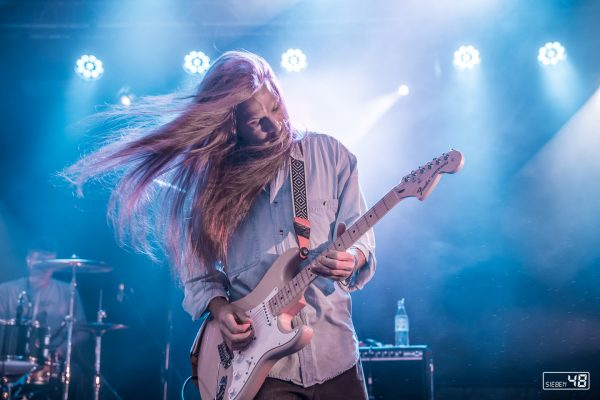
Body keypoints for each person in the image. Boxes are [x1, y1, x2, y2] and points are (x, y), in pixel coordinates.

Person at [63, 51, 376, 399]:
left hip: (336, 356)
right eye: (256, 120)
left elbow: (362, 241)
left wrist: (353, 259)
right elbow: (198, 273)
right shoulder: (211, 186)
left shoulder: (331, 155)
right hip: (261, 368)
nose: (274, 124)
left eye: (275, 108)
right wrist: (220, 308)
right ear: (232, 125)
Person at [0, 237, 88, 360]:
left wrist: (65, 347)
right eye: (41, 260)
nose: (45, 266)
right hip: (12, 357)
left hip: (53, 359)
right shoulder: (6, 290)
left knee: (78, 376)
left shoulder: (69, 292)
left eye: (50, 261)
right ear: (28, 260)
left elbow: (83, 331)